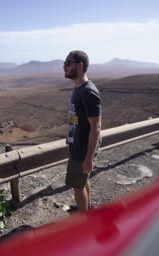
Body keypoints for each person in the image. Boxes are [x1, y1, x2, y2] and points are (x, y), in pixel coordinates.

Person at [64, 50, 102, 212]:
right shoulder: (78, 88)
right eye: (64, 63)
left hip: (83, 147)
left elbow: (96, 127)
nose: (64, 67)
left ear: (79, 66)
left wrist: (89, 158)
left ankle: (83, 218)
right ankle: (87, 207)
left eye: (68, 63)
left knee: (76, 185)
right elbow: (77, 117)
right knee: (82, 180)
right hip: (78, 142)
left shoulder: (88, 92)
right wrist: (70, 135)